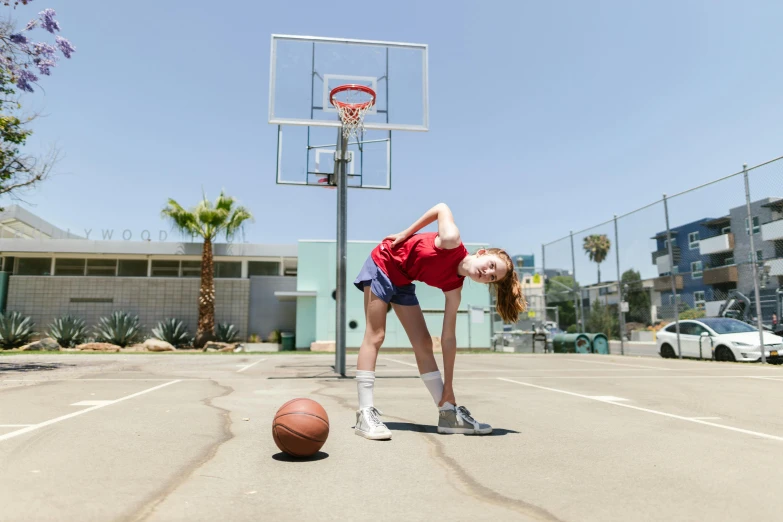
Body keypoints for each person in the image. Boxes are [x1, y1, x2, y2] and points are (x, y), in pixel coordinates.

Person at [352, 203, 527, 440]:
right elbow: (441, 207)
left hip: (402, 278)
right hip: (383, 262)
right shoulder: (451, 240)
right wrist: (405, 233)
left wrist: (450, 386)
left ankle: (447, 413)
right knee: (376, 335)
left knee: (424, 343)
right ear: (482, 253)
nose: (487, 273)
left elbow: (448, 338)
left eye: (492, 278)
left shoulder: (454, 289)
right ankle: (365, 413)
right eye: (491, 266)